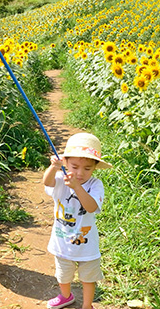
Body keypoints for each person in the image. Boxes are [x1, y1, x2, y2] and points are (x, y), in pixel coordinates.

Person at [42, 132, 111, 309]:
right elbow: (47, 182)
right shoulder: (59, 179)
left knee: (89, 278)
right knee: (63, 275)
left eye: (87, 169)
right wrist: (53, 168)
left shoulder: (95, 185)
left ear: (94, 168)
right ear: (65, 163)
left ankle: (87, 305)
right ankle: (66, 296)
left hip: (87, 245)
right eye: (74, 166)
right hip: (62, 242)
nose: (80, 173)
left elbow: (90, 206)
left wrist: (77, 187)